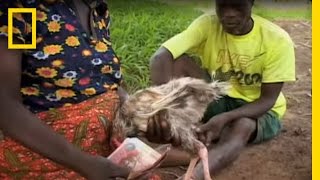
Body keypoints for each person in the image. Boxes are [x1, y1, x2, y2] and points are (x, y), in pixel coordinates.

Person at [148, 0, 296, 179]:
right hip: (220, 96)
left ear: (251, 3)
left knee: (243, 125)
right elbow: (160, 57)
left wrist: (224, 118)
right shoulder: (208, 24)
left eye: (238, 6)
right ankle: (197, 143)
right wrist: (164, 110)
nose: (229, 13)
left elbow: (267, 100)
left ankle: (196, 175)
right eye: (223, 6)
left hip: (258, 109)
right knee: (178, 62)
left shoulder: (276, 40)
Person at [0, 0, 131, 179]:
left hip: (101, 159)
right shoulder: (26, 10)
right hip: (44, 163)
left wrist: (140, 112)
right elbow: (6, 105)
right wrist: (83, 163)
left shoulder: (97, 10)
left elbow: (103, 81)